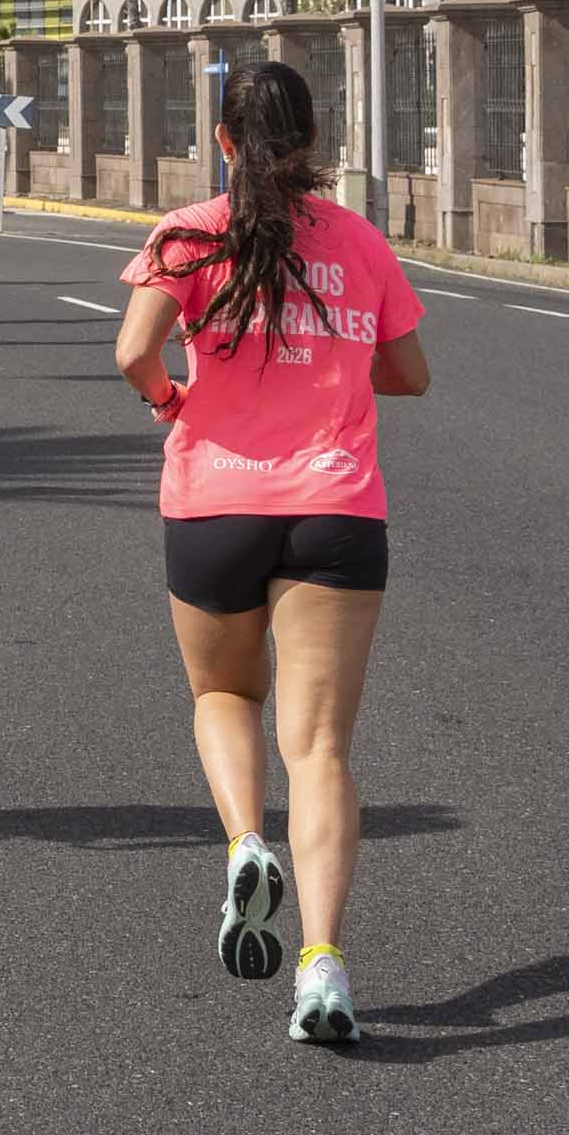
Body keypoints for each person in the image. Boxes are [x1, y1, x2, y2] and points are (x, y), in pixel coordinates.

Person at [110, 60, 427, 1050]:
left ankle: (247, 843)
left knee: (221, 697)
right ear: (313, 141)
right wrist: (332, 347)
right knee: (321, 747)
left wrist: (174, 404)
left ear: (223, 139)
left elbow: (131, 353)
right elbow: (408, 373)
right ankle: (322, 964)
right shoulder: (358, 241)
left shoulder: (186, 233)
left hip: (213, 502)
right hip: (335, 508)